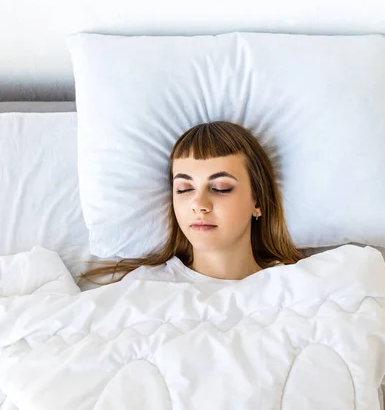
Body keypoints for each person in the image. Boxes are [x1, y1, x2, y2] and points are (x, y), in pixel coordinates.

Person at [76, 120, 305, 287]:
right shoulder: (143, 288)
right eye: (184, 189)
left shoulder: (303, 282)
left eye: (220, 188)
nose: (199, 204)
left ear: (257, 201)